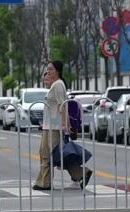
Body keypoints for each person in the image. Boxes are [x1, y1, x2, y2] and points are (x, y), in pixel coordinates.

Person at [33, 60, 92, 191]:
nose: (48, 71)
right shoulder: (55, 85)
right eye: (47, 69)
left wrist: (65, 124)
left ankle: (45, 183)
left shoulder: (58, 85)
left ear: (58, 71)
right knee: (58, 155)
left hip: (54, 127)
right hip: (49, 126)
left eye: (51, 69)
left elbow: (63, 105)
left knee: (48, 155)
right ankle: (81, 173)